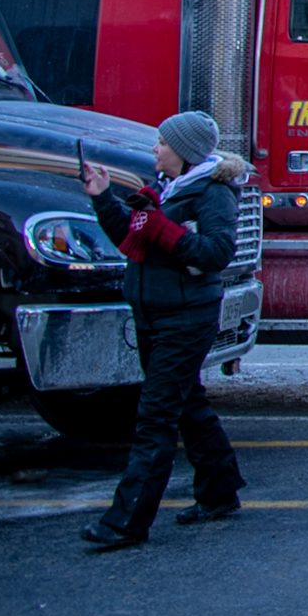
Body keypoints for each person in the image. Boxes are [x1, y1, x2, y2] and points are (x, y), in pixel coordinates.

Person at [77, 110, 248, 551]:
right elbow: (134, 240)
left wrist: (162, 227)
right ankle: (219, 491)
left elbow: (215, 253)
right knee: (186, 403)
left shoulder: (212, 193)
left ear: (185, 151)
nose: (155, 148)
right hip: (158, 312)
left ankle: (125, 522)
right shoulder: (167, 189)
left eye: (162, 142)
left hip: (185, 316)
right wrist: (102, 199)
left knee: (155, 417)